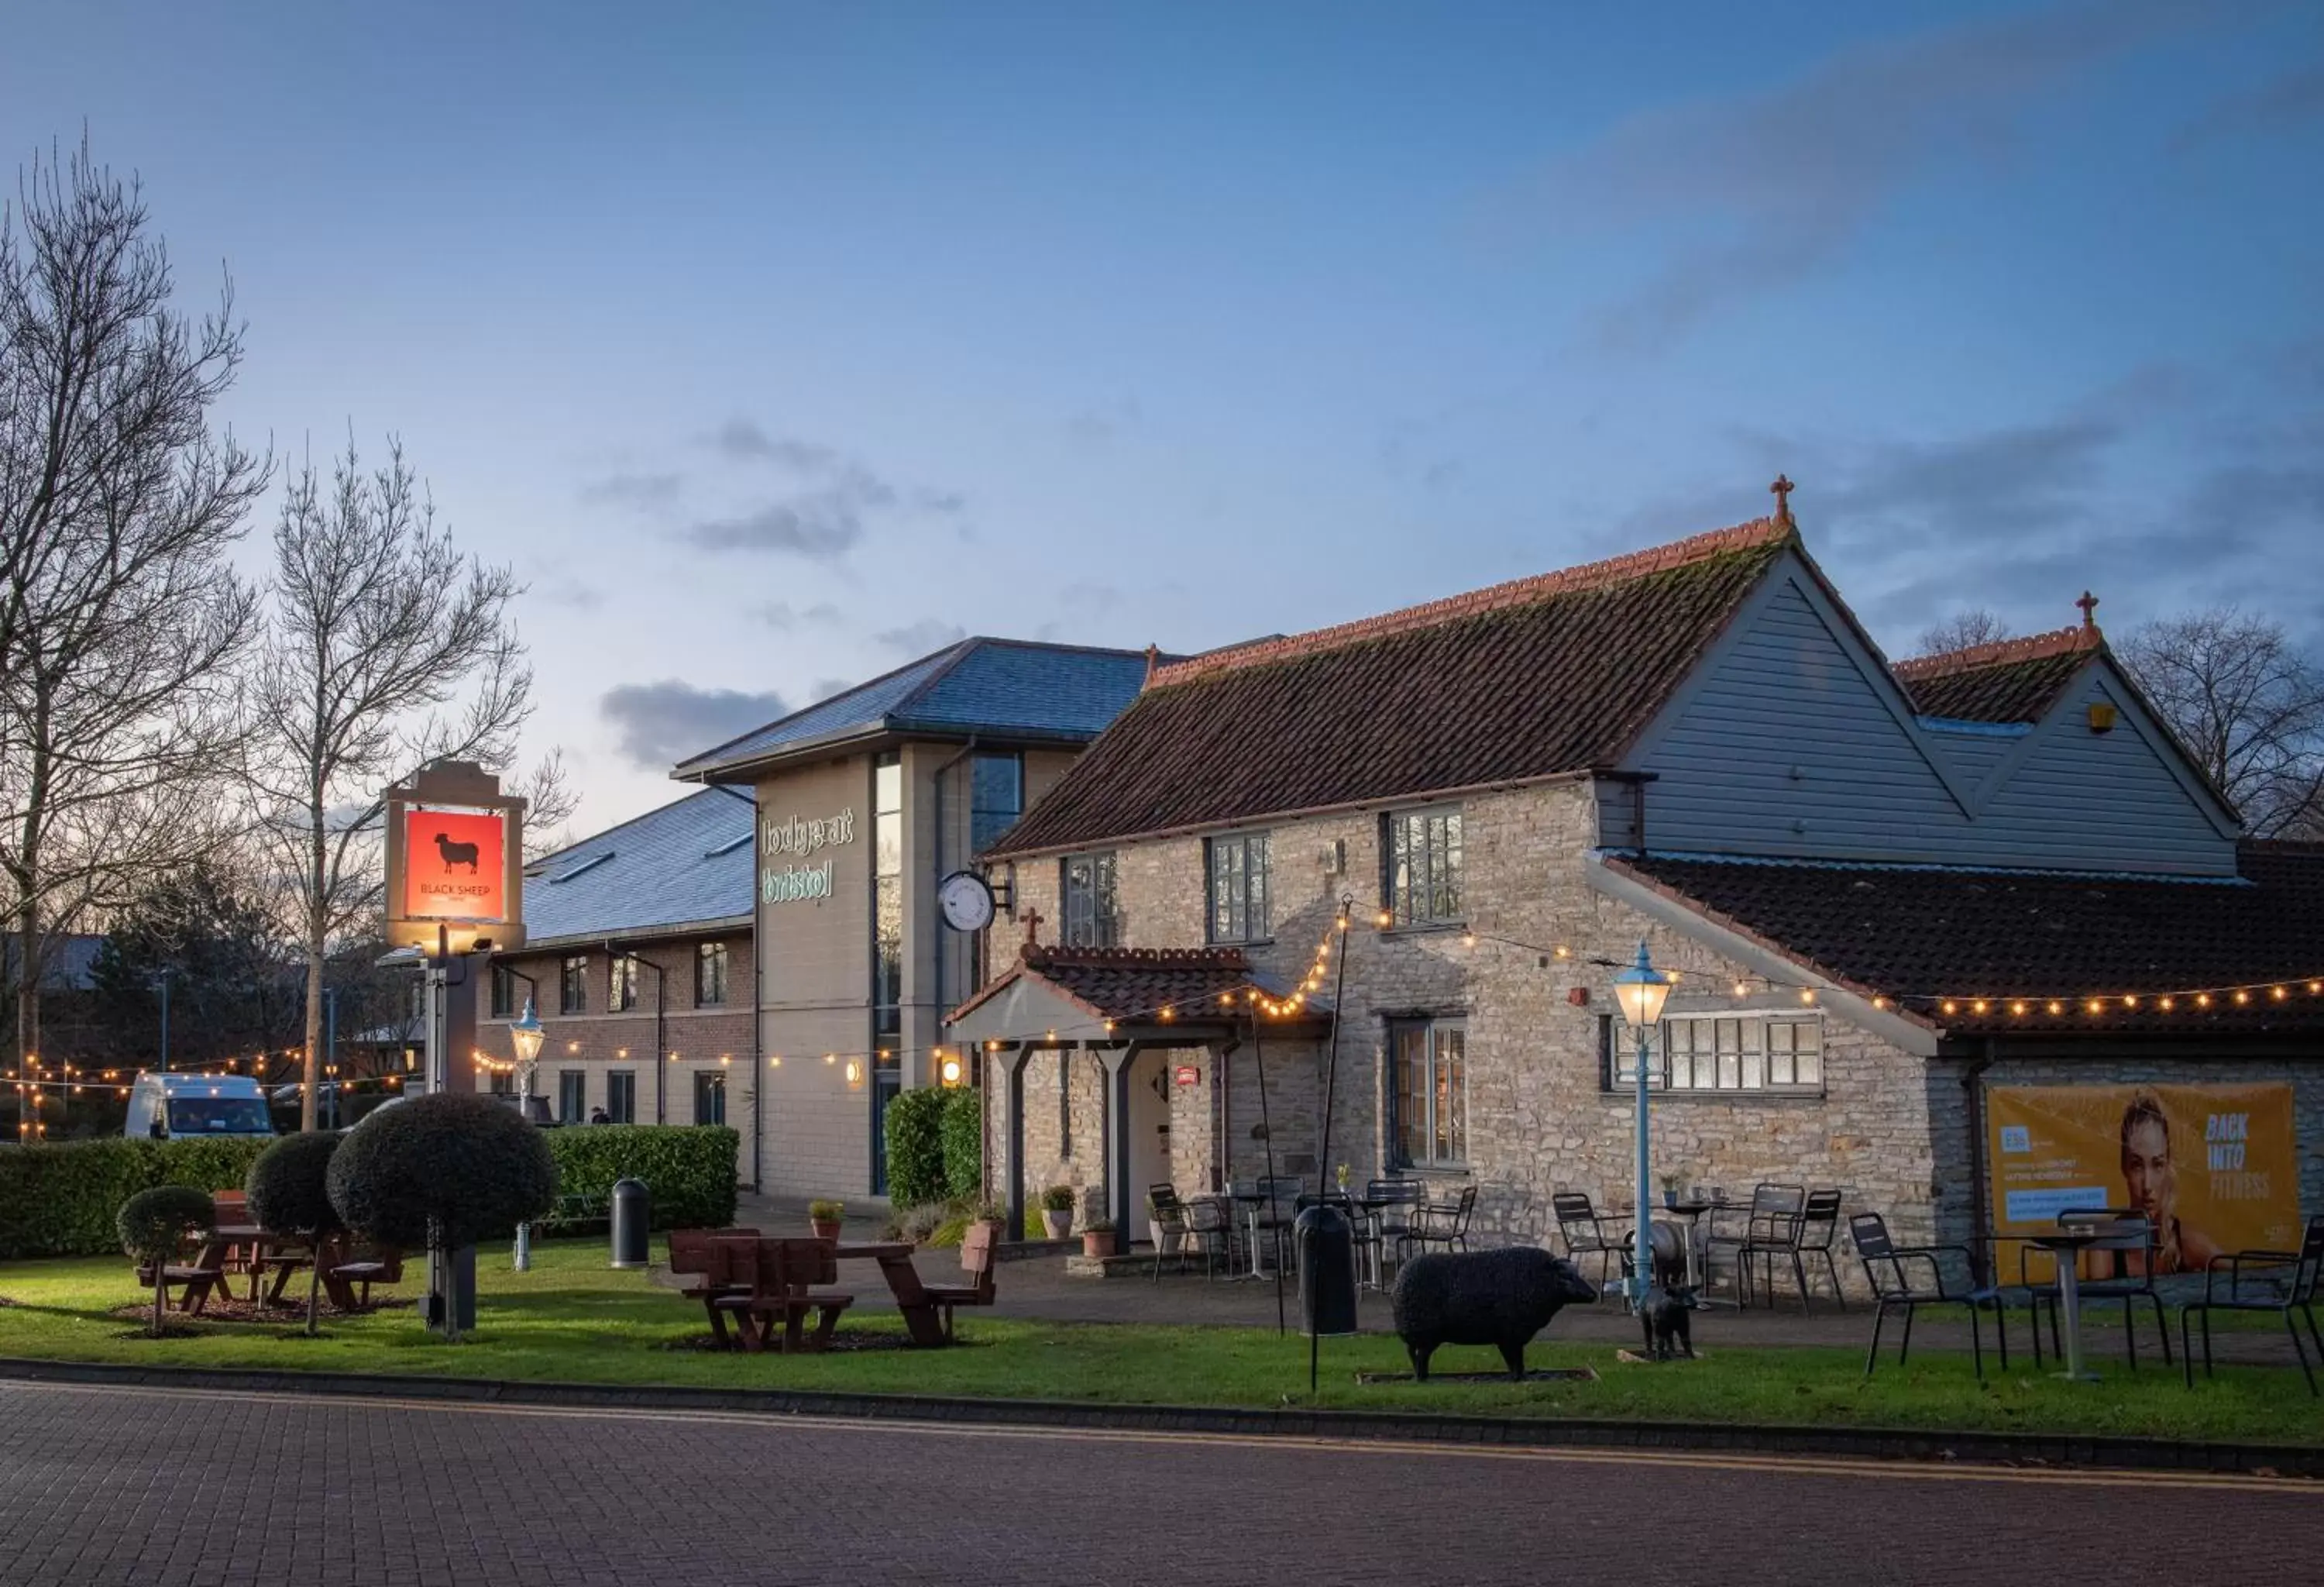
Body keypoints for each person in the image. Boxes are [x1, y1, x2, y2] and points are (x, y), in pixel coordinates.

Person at [2119, 1093, 2219, 1275]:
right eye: (2137, 1166)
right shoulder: (2104, 1249)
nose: (2148, 1185)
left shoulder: (2187, 1241)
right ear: (2123, 1167)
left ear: (2168, 1165)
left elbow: (2240, 1282)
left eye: (2157, 1165)